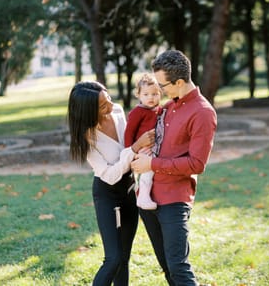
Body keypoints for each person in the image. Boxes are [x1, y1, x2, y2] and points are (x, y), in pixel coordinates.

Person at [131, 50, 217, 286]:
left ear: (179, 82)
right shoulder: (168, 107)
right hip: (148, 199)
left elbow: (196, 164)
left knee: (178, 268)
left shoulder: (202, 113)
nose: (159, 90)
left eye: (162, 85)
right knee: (167, 268)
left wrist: (152, 164)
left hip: (174, 200)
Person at [67, 81, 155, 286]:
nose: (110, 105)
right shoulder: (86, 137)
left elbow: (127, 148)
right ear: (88, 112)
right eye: (102, 106)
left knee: (124, 259)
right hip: (107, 193)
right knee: (113, 258)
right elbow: (110, 175)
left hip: (129, 189)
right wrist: (135, 148)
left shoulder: (117, 111)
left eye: (108, 99)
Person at [124, 73, 163, 210]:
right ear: (139, 95)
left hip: (155, 147)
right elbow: (129, 133)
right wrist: (132, 152)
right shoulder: (138, 112)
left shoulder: (160, 109)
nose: (151, 97)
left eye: (155, 94)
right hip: (142, 149)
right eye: (146, 94)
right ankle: (143, 197)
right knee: (148, 170)